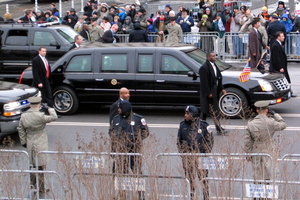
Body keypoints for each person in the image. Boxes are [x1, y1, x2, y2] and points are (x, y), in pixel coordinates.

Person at [108, 100, 149, 199]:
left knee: (136, 171)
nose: (118, 110)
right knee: (119, 172)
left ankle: (140, 193)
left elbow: (145, 132)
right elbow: (111, 132)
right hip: (120, 151)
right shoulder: (116, 119)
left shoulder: (138, 119)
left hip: (134, 151)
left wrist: (135, 141)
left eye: (120, 108)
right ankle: (121, 193)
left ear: (125, 109)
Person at [17, 96, 58, 194]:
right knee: (41, 166)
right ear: (39, 104)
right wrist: (49, 108)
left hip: (30, 141)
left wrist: (23, 141)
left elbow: (20, 129)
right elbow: (54, 117)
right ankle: (41, 187)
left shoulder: (24, 116)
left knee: (32, 164)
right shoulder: (40, 116)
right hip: (40, 142)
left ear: (30, 105)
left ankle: (33, 184)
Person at [177, 105, 213, 200]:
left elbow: (209, 141)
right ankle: (191, 196)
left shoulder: (204, 125)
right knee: (190, 179)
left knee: (203, 179)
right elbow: (179, 141)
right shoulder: (182, 125)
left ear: (193, 115)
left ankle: (206, 197)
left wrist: (204, 154)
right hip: (188, 157)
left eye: (187, 114)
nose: (185, 115)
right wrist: (183, 154)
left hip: (201, 157)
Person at [245, 100, 286, 183]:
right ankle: (268, 190)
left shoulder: (251, 124)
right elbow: (283, 125)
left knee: (257, 172)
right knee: (268, 171)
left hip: (256, 149)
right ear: (267, 110)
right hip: (269, 148)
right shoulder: (271, 122)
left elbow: (247, 141)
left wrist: (248, 153)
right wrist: (275, 115)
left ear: (257, 110)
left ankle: (257, 191)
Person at [199, 52, 227, 135]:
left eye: (215, 56)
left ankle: (218, 128)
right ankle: (200, 128)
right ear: (208, 57)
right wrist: (208, 93)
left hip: (214, 91)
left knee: (214, 111)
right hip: (208, 93)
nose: (215, 57)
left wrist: (222, 89)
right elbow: (204, 82)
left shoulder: (214, 65)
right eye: (213, 56)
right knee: (205, 111)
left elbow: (218, 78)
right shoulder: (204, 68)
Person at [269, 31, 297, 97]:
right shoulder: (275, 45)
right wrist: (280, 67)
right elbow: (276, 58)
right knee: (282, 80)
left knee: (285, 80)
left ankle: (288, 93)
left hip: (282, 66)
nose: (284, 37)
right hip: (278, 67)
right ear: (278, 37)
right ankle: (286, 93)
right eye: (282, 36)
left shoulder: (278, 44)